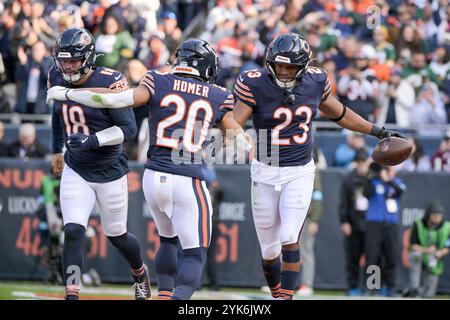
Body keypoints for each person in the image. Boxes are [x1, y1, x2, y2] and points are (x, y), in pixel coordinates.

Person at [47, 39, 251, 300]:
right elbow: (238, 140)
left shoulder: (158, 80)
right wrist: (255, 150)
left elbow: (116, 99)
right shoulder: (219, 95)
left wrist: (67, 94)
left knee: (167, 239)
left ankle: (162, 294)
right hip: (187, 176)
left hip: (153, 176)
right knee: (195, 253)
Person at [232, 32, 405, 300]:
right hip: (264, 172)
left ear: (302, 67)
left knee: (290, 235)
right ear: (269, 63)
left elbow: (341, 114)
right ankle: (278, 291)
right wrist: (246, 144)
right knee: (269, 251)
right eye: (280, 66)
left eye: (291, 66)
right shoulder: (254, 83)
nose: (285, 72)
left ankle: (283, 297)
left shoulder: (315, 81)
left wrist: (378, 131)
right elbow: (233, 124)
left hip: (299, 170)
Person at [47, 28, 150, 300]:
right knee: (72, 230)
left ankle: (139, 273)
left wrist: (91, 141)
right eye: (64, 60)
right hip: (76, 167)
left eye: (73, 60)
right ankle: (72, 294)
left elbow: (128, 129)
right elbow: (58, 114)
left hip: (110, 170)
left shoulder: (111, 79)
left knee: (117, 235)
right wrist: (56, 150)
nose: (67, 66)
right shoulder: (55, 74)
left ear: (89, 58)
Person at [363, 163, 406, 297]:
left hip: (391, 224)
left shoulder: (397, 183)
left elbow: (401, 190)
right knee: (372, 256)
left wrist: (389, 180)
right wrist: (370, 177)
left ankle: (390, 287)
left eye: (389, 169)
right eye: (384, 170)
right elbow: (366, 193)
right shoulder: (373, 183)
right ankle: (372, 287)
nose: (386, 172)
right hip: (374, 223)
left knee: (391, 256)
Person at [339, 148, 370, 296]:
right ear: (356, 163)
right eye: (360, 162)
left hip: (372, 224)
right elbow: (343, 203)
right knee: (353, 257)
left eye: (365, 162)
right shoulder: (348, 179)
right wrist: (344, 221)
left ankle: (372, 286)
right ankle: (353, 287)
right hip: (354, 222)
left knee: (373, 258)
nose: (363, 165)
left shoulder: (373, 178)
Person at [405, 200, 450, 298]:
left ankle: (419, 290)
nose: (438, 218)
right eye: (435, 215)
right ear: (428, 215)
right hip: (422, 254)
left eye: (439, 216)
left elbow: (448, 246)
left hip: (435, 259)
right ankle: (414, 288)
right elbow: (412, 246)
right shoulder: (419, 224)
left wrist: (440, 252)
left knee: (429, 294)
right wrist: (427, 250)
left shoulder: (447, 227)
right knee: (415, 255)